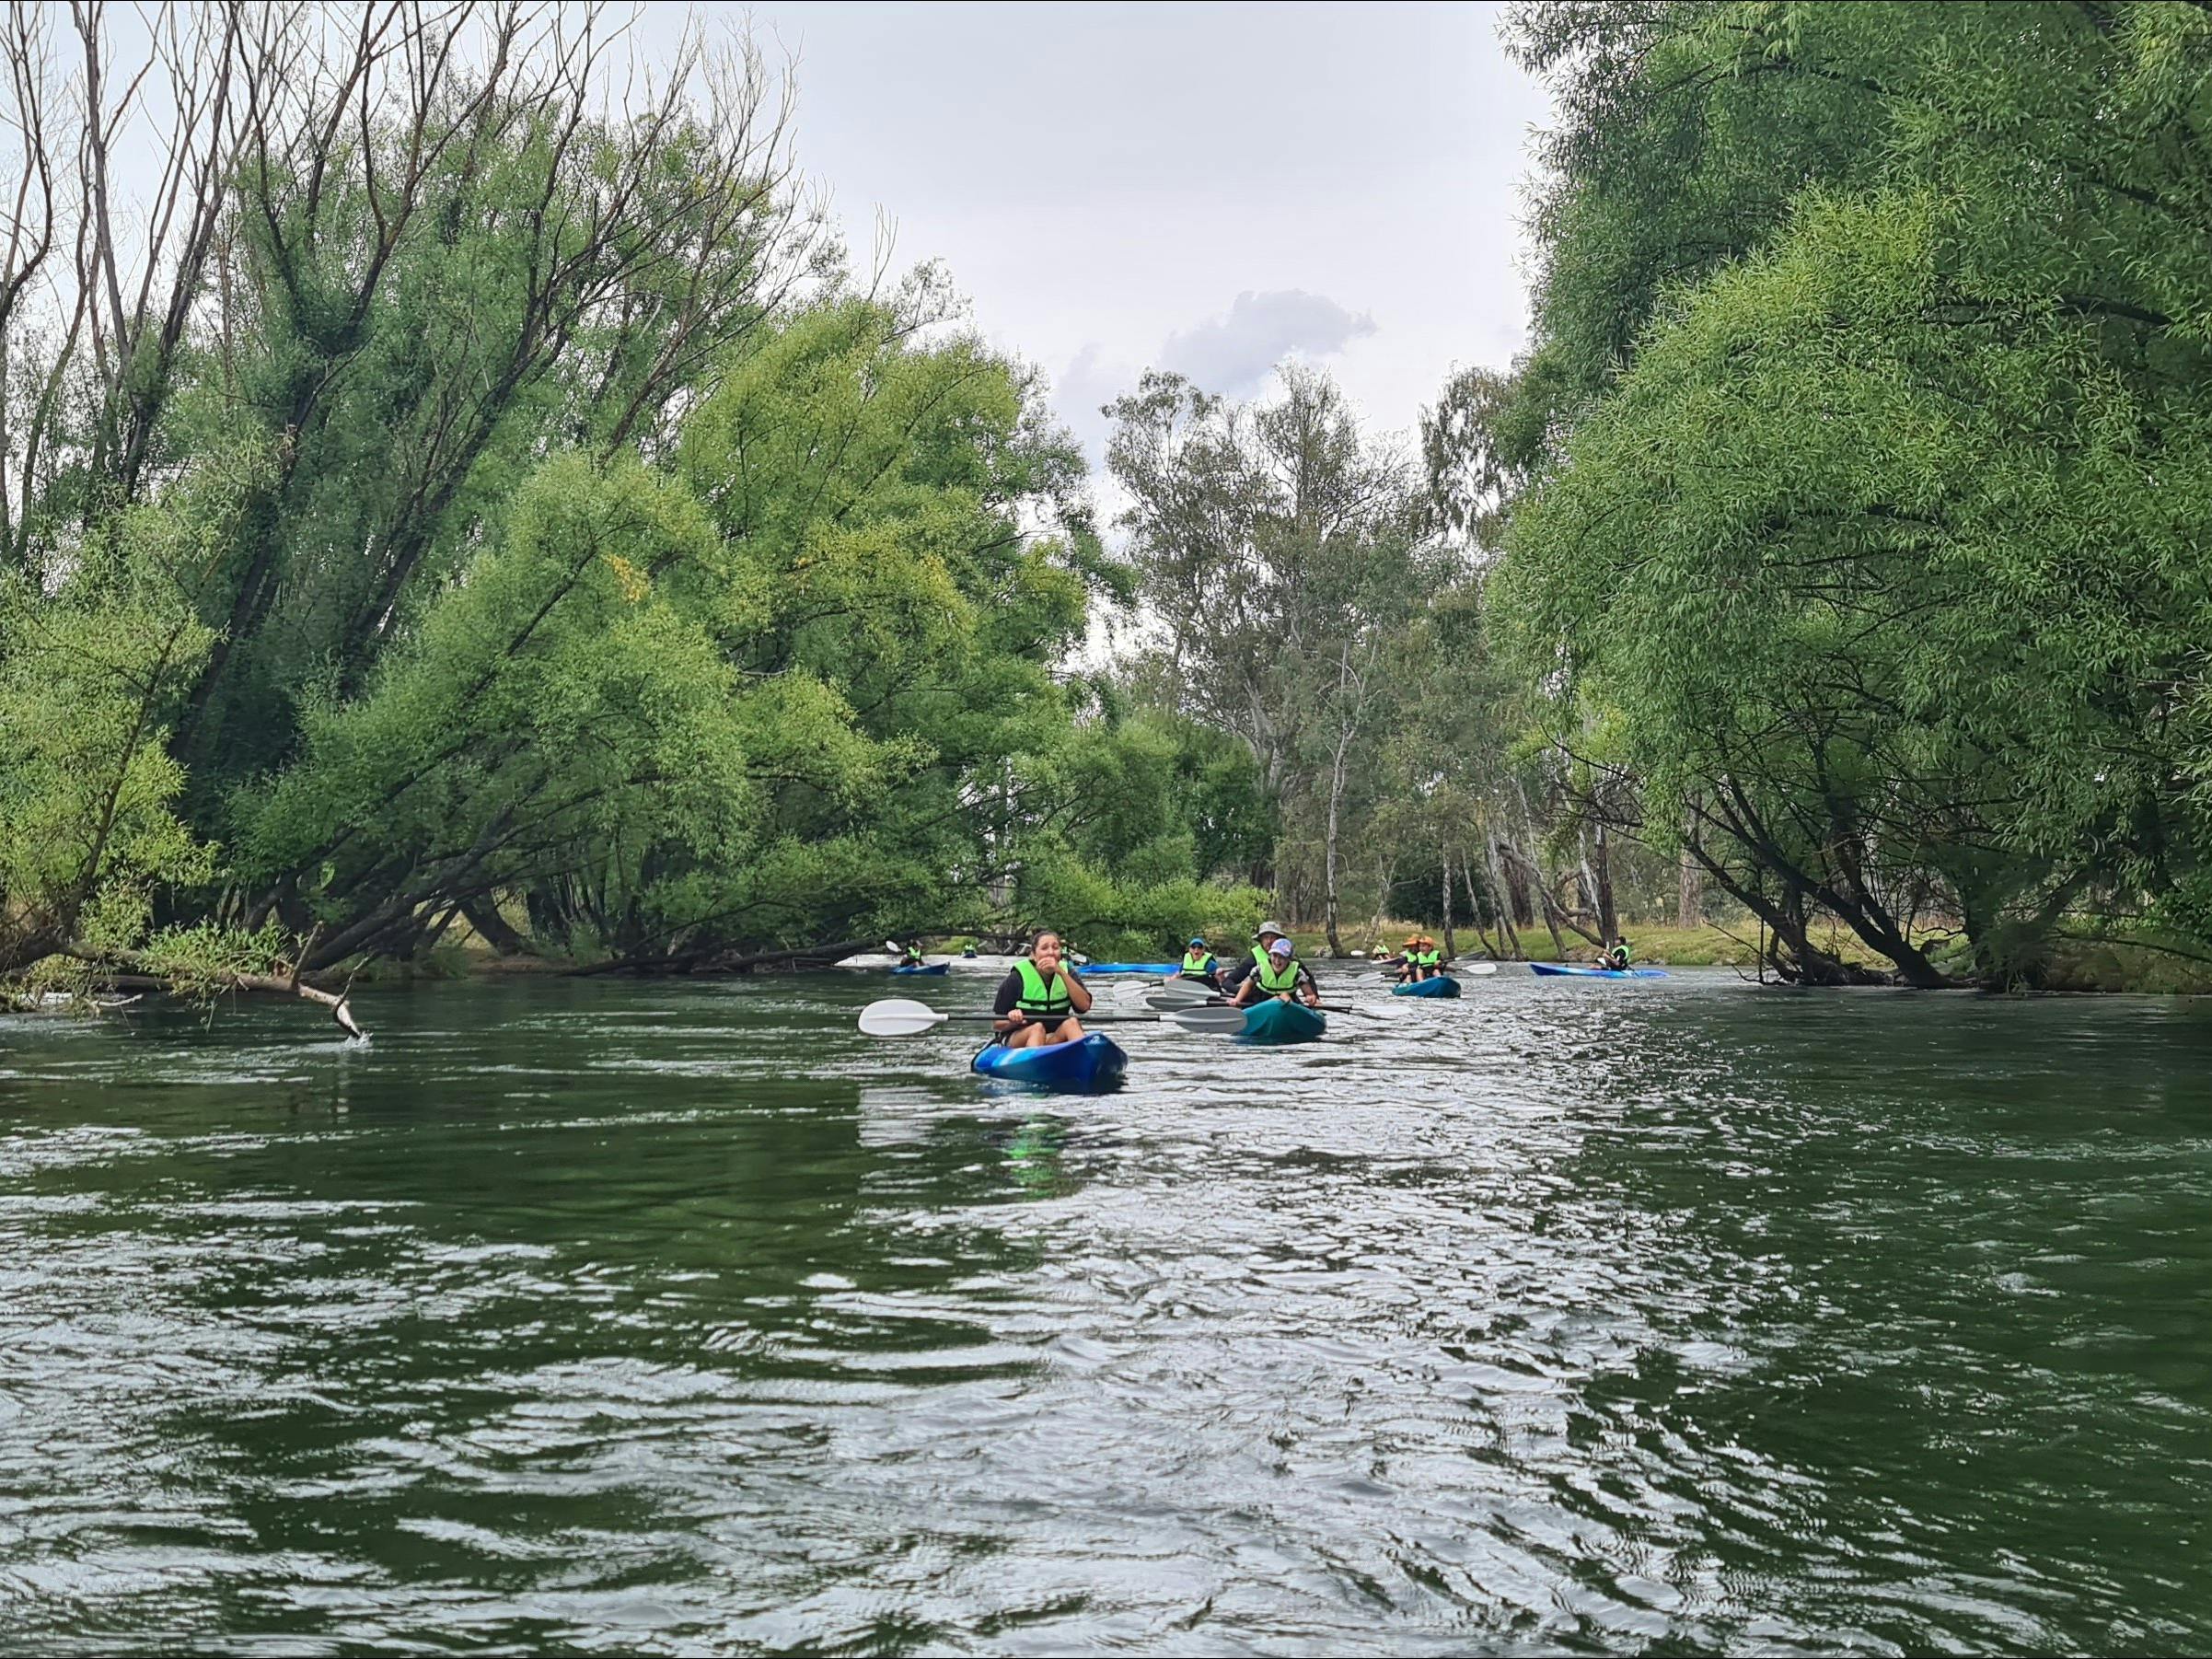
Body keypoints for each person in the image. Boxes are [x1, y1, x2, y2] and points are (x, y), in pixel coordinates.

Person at [990, 932, 1094, 1049]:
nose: (1050, 952)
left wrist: (1060, 972)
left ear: (1060, 954)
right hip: (1020, 1038)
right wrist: (1014, 1020)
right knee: (1037, 1029)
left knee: (1072, 1023)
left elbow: (1084, 1006)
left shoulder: (1067, 972)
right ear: (1034, 955)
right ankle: (1034, 1064)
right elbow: (996, 1024)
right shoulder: (1016, 978)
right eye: (1044, 948)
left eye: (1055, 948)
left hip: (1053, 1037)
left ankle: (1083, 1062)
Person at [1222, 921, 1321, 1008]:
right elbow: (1228, 982)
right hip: (1259, 1000)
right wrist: (1243, 995)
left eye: (1273, 937)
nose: (1269, 941)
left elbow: (1308, 979)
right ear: (1261, 940)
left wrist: (1314, 998)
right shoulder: (1254, 960)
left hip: (1287, 999)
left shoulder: (1292, 961)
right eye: (1266, 938)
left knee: (1287, 998)